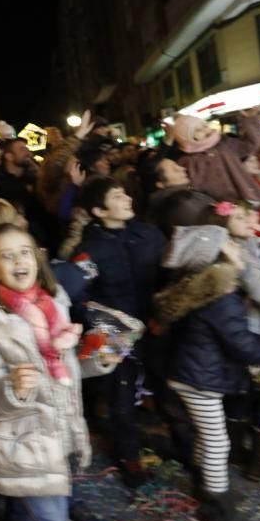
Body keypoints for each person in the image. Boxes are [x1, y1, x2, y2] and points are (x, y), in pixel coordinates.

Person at [0, 225, 117, 521]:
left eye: (25, 251)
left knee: (37, 519)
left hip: (56, 433)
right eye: (7, 254)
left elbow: (63, 372)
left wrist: (97, 362)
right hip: (20, 443)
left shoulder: (52, 305)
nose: (19, 259)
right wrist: (10, 388)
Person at [155, 225, 260, 521]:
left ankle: (206, 487)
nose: (238, 247)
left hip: (192, 374)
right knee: (218, 441)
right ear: (216, 258)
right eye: (231, 244)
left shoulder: (207, 293)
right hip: (198, 380)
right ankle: (219, 512)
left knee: (209, 436)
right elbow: (242, 346)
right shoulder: (222, 300)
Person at [72, 177, 166, 489]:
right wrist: (110, 329)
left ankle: (179, 443)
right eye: (116, 195)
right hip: (116, 338)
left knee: (167, 390)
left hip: (157, 328)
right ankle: (130, 460)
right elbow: (79, 299)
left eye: (124, 191)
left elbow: (170, 277)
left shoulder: (149, 234)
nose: (126, 197)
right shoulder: (88, 251)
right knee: (121, 400)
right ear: (99, 210)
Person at [172, 107, 260, 203]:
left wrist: (251, 120)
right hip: (216, 209)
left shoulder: (224, 143)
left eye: (204, 126)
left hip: (246, 197)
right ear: (186, 137)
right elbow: (191, 189)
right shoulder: (187, 161)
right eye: (198, 130)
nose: (205, 130)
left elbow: (251, 144)